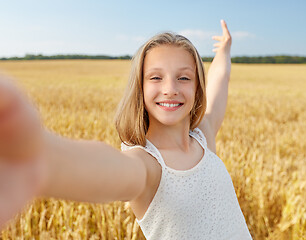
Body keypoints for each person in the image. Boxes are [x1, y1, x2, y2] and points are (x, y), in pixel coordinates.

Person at [0, 20, 252, 239]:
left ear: (197, 87)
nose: (170, 88)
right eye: (156, 77)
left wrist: (224, 50)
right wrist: (35, 157)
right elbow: (107, 170)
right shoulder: (147, 164)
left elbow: (220, 80)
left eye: (184, 77)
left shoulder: (203, 136)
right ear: (139, 88)